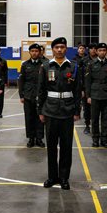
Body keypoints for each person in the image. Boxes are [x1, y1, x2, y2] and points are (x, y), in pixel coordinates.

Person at [38, 37, 81, 190]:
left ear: (66, 49)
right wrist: (40, 111)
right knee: (51, 146)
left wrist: (77, 111)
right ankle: (52, 177)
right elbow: (41, 90)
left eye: (62, 47)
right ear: (53, 49)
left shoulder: (74, 66)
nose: (59, 50)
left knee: (66, 146)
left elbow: (77, 90)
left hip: (67, 111)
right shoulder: (45, 66)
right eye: (56, 47)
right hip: (50, 110)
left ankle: (64, 178)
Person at [85, 43, 107, 148]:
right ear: (96, 51)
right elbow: (88, 81)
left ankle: (104, 139)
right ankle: (95, 139)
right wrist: (88, 96)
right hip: (94, 96)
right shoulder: (91, 64)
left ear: (106, 51)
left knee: (105, 119)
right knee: (94, 119)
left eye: (104, 50)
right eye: (100, 50)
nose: (102, 52)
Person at [18, 43, 45, 148]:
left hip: (41, 95)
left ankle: (39, 138)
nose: (34, 53)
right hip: (28, 96)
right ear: (29, 52)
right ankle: (31, 138)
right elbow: (21, 81)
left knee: (40, 117)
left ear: (39, 52)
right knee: (29, 118)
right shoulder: (25, 65)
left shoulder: (44, 64)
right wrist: (21, 95)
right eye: (32, 51)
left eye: (36, 51)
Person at [81, 43, 98, 134]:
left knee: (96, 109)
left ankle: (95, 127)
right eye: (91, 48)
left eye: (95, 48)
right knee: (86, 109)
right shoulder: (84, 60)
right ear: (89, 50)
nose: (93, 50)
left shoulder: (99, 60)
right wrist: (82, 89)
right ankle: (87, 126)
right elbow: (80, 76)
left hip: (97, 89)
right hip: (86, 89)